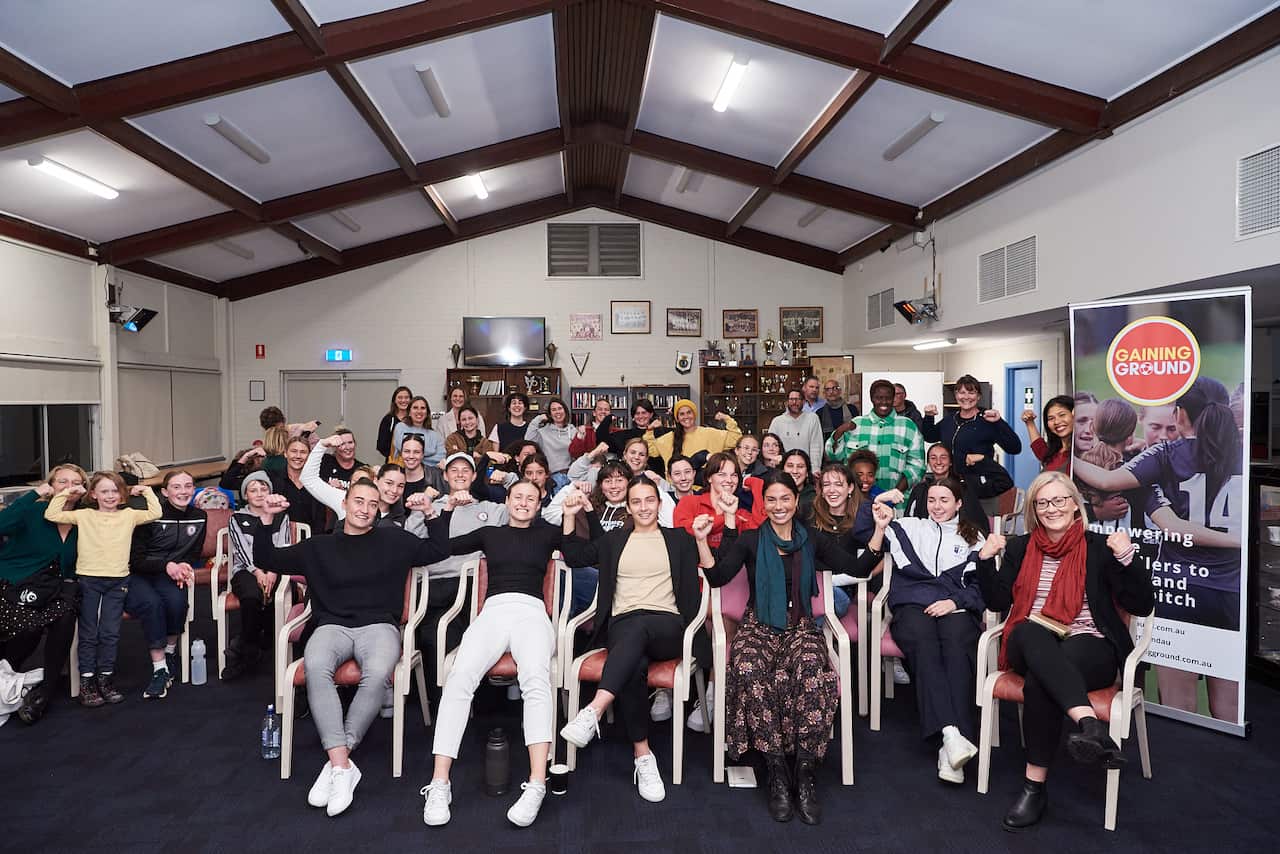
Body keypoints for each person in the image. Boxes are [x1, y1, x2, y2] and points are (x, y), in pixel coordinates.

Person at [692, 470, 889, 824]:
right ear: (764, 504)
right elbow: (718, 577)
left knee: (812, 667)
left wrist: (879, 529)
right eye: (771, 499)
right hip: (759, 624)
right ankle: (777, 771)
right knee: (747, 665)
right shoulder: (751, 540)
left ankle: (805, 770)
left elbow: (859, 568)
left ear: (797, 501)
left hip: (800, 623)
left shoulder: (810, 538)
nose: (779, 505)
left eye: (785, 498)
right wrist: (702, 541)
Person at [250, 481, 450, 817]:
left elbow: (438, 550)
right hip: (332, 626)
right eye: (358, 501)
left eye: (372, 504)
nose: (365, 509)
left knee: (377, 674)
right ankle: (342, 766)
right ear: (344, 503)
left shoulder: (394, 540)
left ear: (378, 509)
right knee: (316, 668)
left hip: (379, 626)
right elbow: (266, 557)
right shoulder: (318, 547)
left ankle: (336, 762)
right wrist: (267, 519)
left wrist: (431, 513)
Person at [977, 471, 1153, 831]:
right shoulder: (1020, 548)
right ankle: (1090, 725)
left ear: (1075, 504)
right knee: (1029, 629)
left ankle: (1034, 787)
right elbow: (996, 601)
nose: (1051, 508)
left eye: (1059, 500)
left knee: (1041, 680)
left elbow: (1141, 604)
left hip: (1089, 642)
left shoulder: (1100, 548)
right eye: (1042, 503)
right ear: (1034, 510)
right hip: (1031, 639)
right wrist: (984, 560)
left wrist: (1127, 558)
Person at [1072, 377, 1242, 722]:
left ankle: (1180, 754)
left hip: (1181, 585)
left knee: (1179, 705)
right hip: (1231, 588)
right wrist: (1240, 542)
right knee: (1228, 707)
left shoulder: (1167, 454)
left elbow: (1107, 481)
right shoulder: (1240, 452)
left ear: (1180, 415)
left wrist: (1065, 457)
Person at [421, 481, 577, 829]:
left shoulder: (548, 534)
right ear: (506, 501)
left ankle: (537, 783)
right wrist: (441, 511)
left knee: (536, 679)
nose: (523, 503)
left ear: (539, 505)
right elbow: (441, 547)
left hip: (532, 612)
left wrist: (570, 516)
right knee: (459, 678)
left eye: (531, 498)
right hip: (492, 611)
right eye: (518, 497)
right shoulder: (490, 533)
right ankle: (440, 782)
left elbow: (581, 554)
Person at [557, 477, 710, 803]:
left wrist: (705, 537)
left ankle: (594, 710)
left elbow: (716, 568)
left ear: (659, 503)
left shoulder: (679, 539)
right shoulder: (614, 541)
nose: (643, 507)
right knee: (633, 662)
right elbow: (575, 556)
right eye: (636, 501)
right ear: (628, 507)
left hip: (667, 627)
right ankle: (643, 755)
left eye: (649, 500)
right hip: (624, 629)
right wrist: (569, 516)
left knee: (637, 627)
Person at [856, 481, 997, 784]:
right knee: (924, 645)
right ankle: (952, 734)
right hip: (912, 606)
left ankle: (951, 746)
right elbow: (863, 528)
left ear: (958, 503)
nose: (937, 506)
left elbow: (982, 586)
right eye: (932, 499)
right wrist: (880, 499)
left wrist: (955, 602)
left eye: (944, 499)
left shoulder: (974, 537)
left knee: (957, 647)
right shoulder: (909, 527)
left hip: (955, 607)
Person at [44, 472, 162, 706]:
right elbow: (52, 514)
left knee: (110, 632)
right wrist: (68, 492)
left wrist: (146, 491)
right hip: (89, 580)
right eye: (104, 491)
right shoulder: (85, 515)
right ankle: (87, 680)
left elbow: (155, 512)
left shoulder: (129, 515)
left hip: (118, 581)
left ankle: (105, 677)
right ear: (93, 495)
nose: (110, 495)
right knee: (89, 632)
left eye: (115, 491)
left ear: (122, 495)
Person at [0, 464, 87, 723]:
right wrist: (34, 494)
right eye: (62, 482)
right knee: (30, 627)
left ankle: (44, 693)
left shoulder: (85, 518)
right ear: (51, 486)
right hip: (16, 581)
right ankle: (7, 676)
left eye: (76, 482)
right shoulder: (34, 511)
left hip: (58, 586)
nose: (69, 487)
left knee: (65, 615)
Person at [126, 470, 206, 699]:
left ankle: (170, 652)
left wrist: (183, 566)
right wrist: (167, 565)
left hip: (168, 574)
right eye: (176, 487)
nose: (183, 491)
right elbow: (135, 559)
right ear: (164, 492)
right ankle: (159, 669)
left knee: (177, 602)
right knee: (152, 604)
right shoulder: (151, 516)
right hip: (139, 574)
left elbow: (194, 552)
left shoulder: (200, 516)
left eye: (188, 486)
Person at [219, 470, 291, 680]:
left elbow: (283, 545)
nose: (259, 494)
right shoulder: (237, 518)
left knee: (282, 596)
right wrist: (258, 572)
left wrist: (273, 571)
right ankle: (249, 650)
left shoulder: (281, 516)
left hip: (277, 568)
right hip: (246, 569)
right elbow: (241, 550)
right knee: (252, 597)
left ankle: (245, 643)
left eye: (263, 489)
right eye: (253, 490)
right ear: (245, 495)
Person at [921, 374, 1021, 503]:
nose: (966, 397)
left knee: (977, 516)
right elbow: (930, 436)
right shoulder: (950, 420)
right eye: (962, 392)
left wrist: (999, 422)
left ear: (978, 396)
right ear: (956, 395)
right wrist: (929, 417)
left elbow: (1014, 448)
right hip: (952, 485)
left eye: (971, 392)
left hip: (980, 488)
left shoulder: (987, 420)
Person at [826, 379, 925, 493]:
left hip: (897, 501)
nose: (884, 402)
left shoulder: (908, 426)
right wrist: (840, 431)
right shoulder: (856, 424)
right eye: (879, 398)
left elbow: (917, 466)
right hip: (858, 500)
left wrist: (894, 493)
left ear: (893, 398)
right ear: (872, 398)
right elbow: (833, 456)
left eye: (888, 398)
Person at [904, 444, 989, 534]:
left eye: (943, 457)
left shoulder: (963, 488)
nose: (938, 462)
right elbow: (909, 521)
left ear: (950, 462)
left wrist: (984, 459)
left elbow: (976, 522)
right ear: (928, 463)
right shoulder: (920, 490)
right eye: (933, 458)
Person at [645, 399, 741, 475]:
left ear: (694, 414)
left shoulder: (710, 433)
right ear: (677, 418)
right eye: (682, 414)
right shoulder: (668, 439)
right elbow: (650, 450)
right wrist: (649, 430)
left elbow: (735, 439)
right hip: (676, 489)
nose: (686, 416)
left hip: (706, 488)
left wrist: (726, 418)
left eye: (689, 412)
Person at [604, 399, 671, 466]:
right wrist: (607, 418)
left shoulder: (664, 433)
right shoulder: (622, 435)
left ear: (651, 414)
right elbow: (602, 439)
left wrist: (674, 413)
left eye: (644, 413)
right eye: (637, 413)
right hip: (628, 471)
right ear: (633, 417)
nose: (640, 416)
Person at [769, 390, 824, 467]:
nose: (794, 402)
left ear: (804, 402)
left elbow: (816, 446)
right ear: (786, 402)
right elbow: (770, 446)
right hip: (782, 468)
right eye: (791, 399)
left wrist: (815, 468)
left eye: (797, 399)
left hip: (805, 468)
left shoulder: (812, 419)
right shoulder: (777, 421)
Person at [1021, 394, 1074, 474]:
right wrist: (1029, 422)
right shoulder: (1052, 454)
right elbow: (1038, 446)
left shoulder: (1084, 454)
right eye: (1051, 418)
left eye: (1062, 415)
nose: (1056, 422)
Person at [525, 397, 576, 477]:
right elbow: (528, 440)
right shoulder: (543, 432)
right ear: (550, 414)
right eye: (553, 410)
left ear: (565, 411)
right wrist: (539, 418)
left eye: (560, 408)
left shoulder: (573, 430)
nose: (557, 412)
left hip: (571, 474)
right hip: (551, 475)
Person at [393, 396, 445, 468]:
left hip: (427, 473)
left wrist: (415, 459)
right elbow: (401, 449)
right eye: (415, 408)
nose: (419, 411)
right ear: (409, 412)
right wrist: (429, 454)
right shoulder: (400, 427)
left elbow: (441, 456)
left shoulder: (434, 435)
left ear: (427, 413)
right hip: (402, 471)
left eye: (423, 408)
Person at [399, 434, 447, 502]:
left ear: (422, 454)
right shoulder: (395, 476)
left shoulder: (437, 475)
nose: (411, 456)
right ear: (401, 453)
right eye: (407, 451)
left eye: (416, 452)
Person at [778, 449, 817, 524]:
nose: (795, 471)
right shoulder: (773, 493)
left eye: (800, 466)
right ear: (783, 470)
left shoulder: (814, 499)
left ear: (807, 473)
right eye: (790, 466)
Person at [377, 386, 413, 463]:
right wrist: (395, 456)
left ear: (411, 400)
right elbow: (381, 445)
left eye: (406, 397)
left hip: (414, 461)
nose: (403, 400)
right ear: (394, 400)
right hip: (394, 463)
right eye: (400, 397)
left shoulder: (415, 419)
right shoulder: (388, 419)